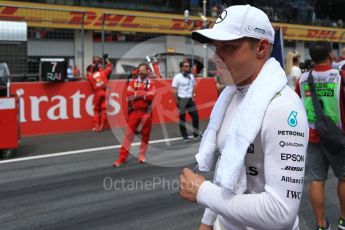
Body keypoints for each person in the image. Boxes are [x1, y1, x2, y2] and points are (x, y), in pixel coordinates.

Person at [179, 5, 309, 230]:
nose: (215, 57)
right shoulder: (232, 95)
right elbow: (227, 170)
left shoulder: (283, 108)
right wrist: (207, 222)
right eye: (215, 47)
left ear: (261, 47)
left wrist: (202, 191)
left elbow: (281, 213)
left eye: (228, 47)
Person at [295, 41, 345, 230]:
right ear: (331, 55)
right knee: (344, 177)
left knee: (317, 179)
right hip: (338, 136)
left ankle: (321, 225)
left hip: (313, 136)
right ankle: (343, 220)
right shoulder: (340, 76)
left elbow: (298, 104)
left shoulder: (303, 79)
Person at [113, 63, 155, 167]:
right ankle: (121, 158)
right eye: (139, 70)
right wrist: (143, 94)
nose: (141, 72)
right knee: (128, 135)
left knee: (145, 135)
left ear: (147, 71)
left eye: (143, 70)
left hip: (147, 112)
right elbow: (129, 95)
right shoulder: (133, 82)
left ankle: (142, 155)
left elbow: (151, 96)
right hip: (135, 111)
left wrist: (138, 94)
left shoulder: (151, 83)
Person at [172, 61, 200, 142]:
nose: (188, 67)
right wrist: (177, 101)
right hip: (182, 100)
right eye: (186, 66)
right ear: (182, 68)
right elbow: (174, 90)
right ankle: (185, 136)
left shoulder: (191, 76)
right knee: (182, 119)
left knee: (195, 116)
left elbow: (194, 86)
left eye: (188, 66)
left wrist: (193, 95)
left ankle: (195, 134)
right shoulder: (177, 77)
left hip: (190, 99)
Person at [86, 56, 113, 132]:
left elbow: (87, 75)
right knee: (104, 110)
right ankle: (101, 126)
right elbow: (110, 67)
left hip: (98, 93)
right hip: (105, 92)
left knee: (96, 110)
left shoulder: (90, 76)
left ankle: (96, 126)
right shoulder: (103, 72)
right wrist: (107, 59)